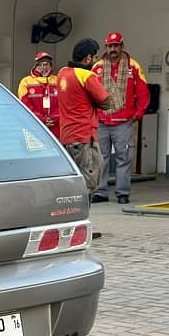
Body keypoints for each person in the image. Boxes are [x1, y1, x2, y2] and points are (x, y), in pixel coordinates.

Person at [57, 38, 111, 238]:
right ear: (88, 57)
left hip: (66, 137)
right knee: (88, 183)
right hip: (84, 136)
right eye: (95, 57)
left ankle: (70, 226)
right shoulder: (86, 76)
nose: (95, 60)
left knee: (72, 183)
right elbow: (106, 102)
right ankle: (79, 228)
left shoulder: (62, 73)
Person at [90, 32, 150, 205]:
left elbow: (143, 93)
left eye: (116, 45)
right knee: (101, 157)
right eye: (110, 46)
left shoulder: (134, 66)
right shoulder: (97, 67)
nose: (113, 49)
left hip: (123, 122)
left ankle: (122, 193)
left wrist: (139, 113)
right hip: (102, 121)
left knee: (124, 158)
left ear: (122, 46)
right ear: (106, 47)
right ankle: (100, 192)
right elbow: (90, 93)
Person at [17, 52, 61, 139]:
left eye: (47, 64)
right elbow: (25, 106)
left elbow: (64, 103)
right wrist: (41, 119)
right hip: (34, 126)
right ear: (36, 66)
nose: (44, 67)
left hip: (56, 128)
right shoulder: (26, 82)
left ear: (51, 66)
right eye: (41, 65)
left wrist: (54, 118)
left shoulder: (58, 80)